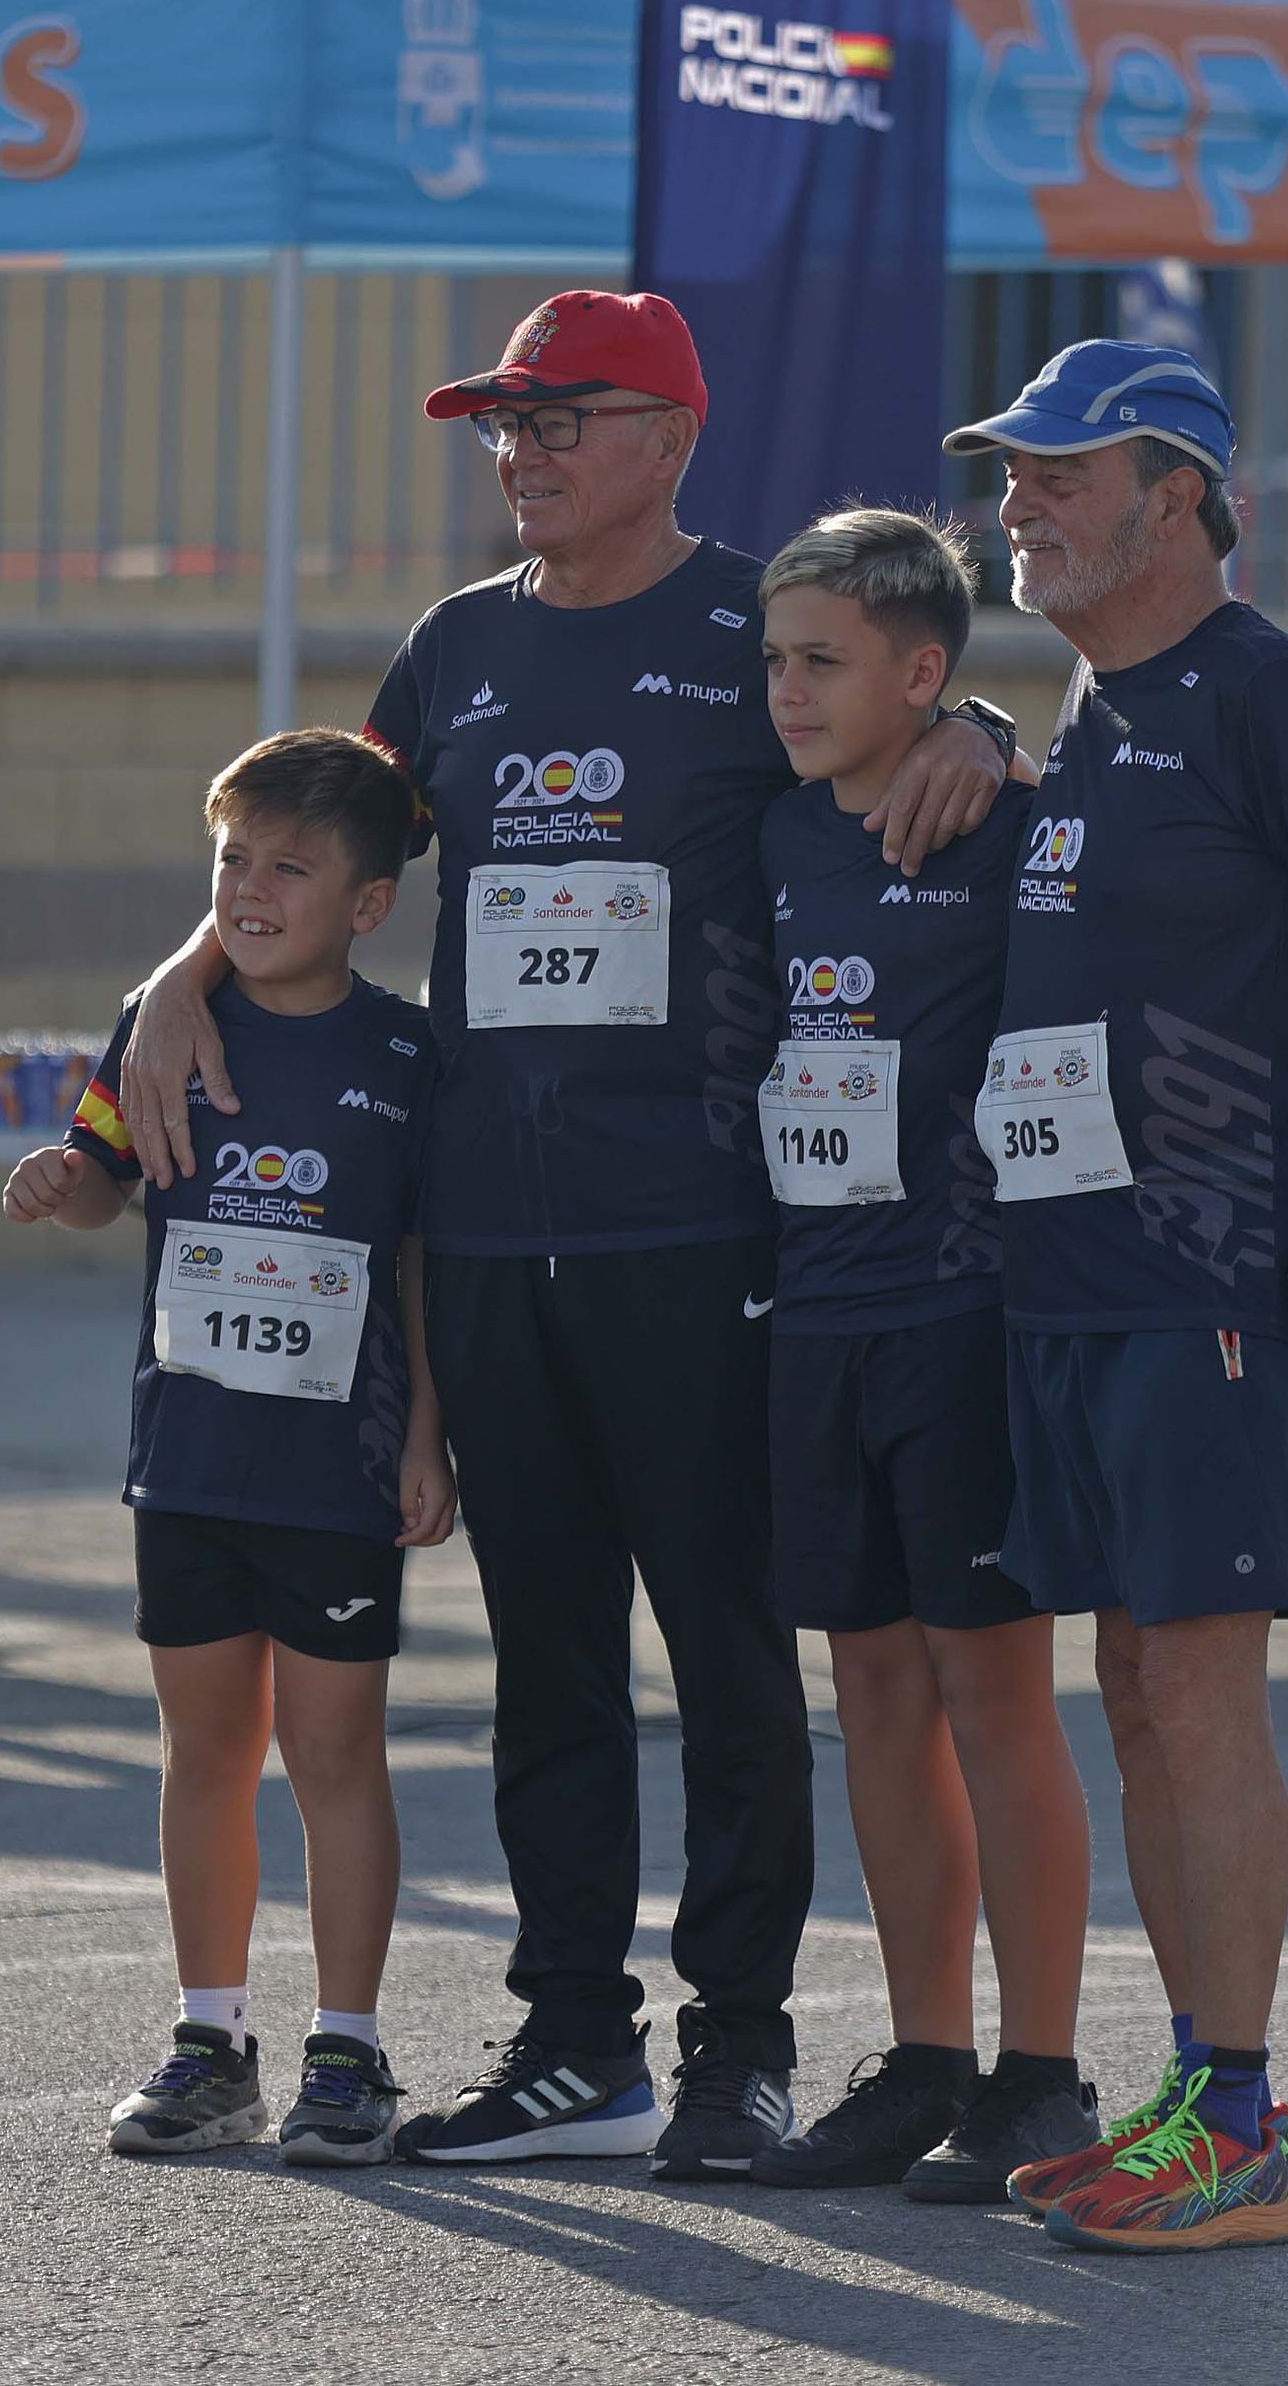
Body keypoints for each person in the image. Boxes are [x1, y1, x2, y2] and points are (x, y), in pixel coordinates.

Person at [114, 290, 1013, 2179]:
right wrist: (188, 973)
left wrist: (995, 727)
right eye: (501, 424)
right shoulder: (456, 649)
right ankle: (573, 2042)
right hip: (494, 1226)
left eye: (560, 419)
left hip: (699, 1224)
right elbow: (316, 831)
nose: (518, 452)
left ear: (670, 438)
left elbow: (898, 710)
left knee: (729, 1649)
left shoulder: (756, 625)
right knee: (547, 1655)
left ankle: (741, 2046)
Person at [937, 340, 1288, 2250]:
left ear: (1178, 496)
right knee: (1137, 1685)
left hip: (1219, 1275)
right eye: (1012, 470)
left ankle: (1246, 2123)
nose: (1020, 503)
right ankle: (1191, 2088)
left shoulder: (1267, 690)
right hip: (1075, 1278)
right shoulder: (1084, 707)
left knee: (1198, 1685)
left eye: (1060, 473)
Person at [3, 729, 455, 2167]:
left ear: (368, 902)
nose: (252, 891)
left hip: (337, 1470)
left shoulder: (407, 1053)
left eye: (291, 868)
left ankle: (350, 2050)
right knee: (205, 1750)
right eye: (232, 862)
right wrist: (66, 1183)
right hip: (188, 1456)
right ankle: (210, 2039)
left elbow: (426, 1264)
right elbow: (98, 1181)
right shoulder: (163, 1030)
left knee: (336, 1755)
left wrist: (431, 1439)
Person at [742, 508, 1097, 2200]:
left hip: (967, 1316)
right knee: (872, 1689)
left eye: (823, 662)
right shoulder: (778, 839)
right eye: (774, 660)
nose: (788, 690)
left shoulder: (1013, 822)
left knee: (992, 1690)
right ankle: (926, 2057)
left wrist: (991, 743)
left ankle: (1045, 2074)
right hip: (820, 1316)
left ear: (925, 673)